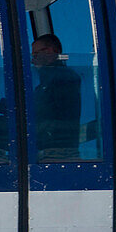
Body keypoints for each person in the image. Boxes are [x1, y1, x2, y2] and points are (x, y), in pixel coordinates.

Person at [31, 33, 82, 161]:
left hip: (57, 153)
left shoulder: (63, 79)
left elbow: (46, 114)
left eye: (35, 55)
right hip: (48, 149)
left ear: (49, 51)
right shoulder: (46, 83)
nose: (33, 60)